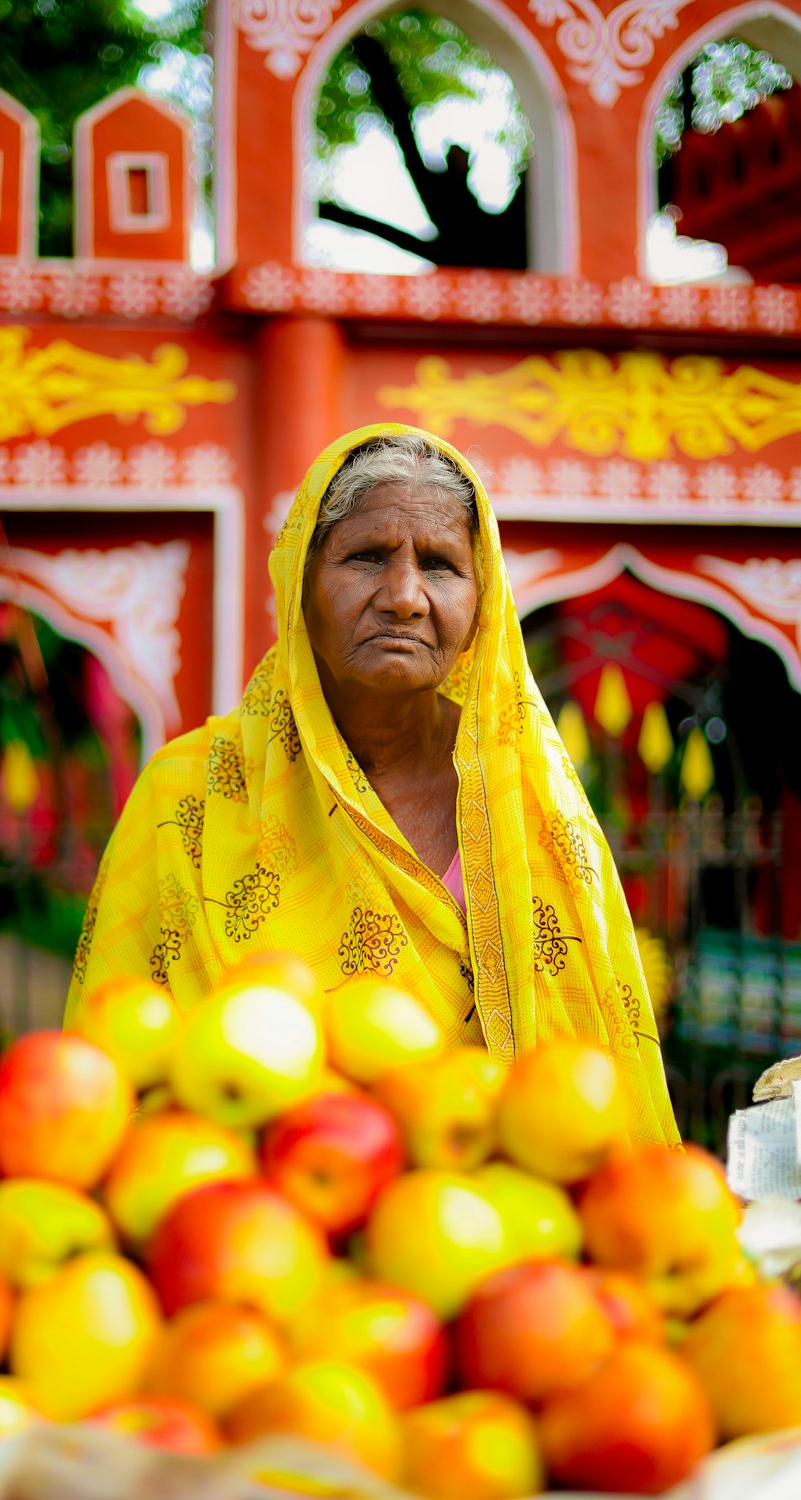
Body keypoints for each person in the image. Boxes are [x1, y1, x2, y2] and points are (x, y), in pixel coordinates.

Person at [65, 422, 679, 1146]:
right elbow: (107, 1076)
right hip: (255, 1220)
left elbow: (601, 1068)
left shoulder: (532, 799)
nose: (405, 597)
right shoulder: (192, 794)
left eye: (442, 565)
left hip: (493, 1218)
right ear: (302, 578)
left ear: (484, 598)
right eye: (366, 557)